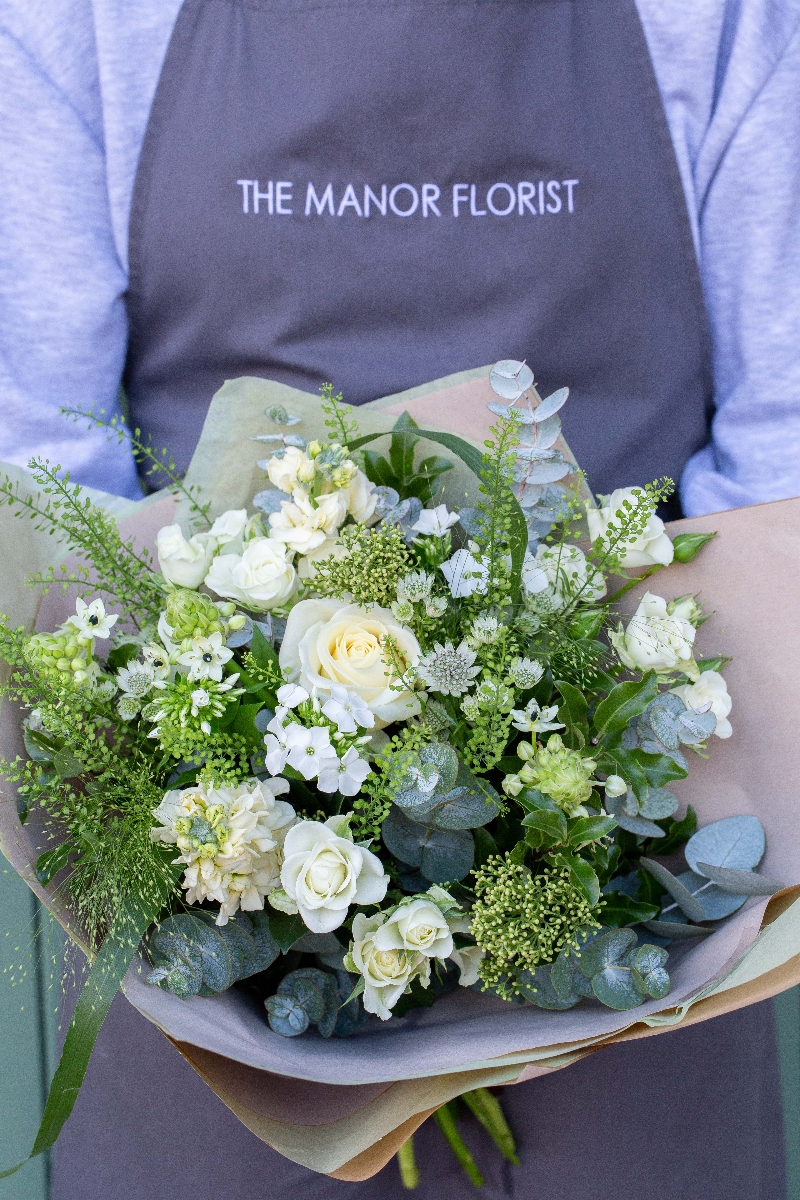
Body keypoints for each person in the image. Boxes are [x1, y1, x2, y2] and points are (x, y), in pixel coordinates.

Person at [1, 0, 798, 1196]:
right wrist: (275, 882)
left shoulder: (720, 19)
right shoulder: (79, 20)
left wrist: (575, 840)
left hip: (644, 915)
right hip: (206, 955)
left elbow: (779, 455)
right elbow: (47, 483)